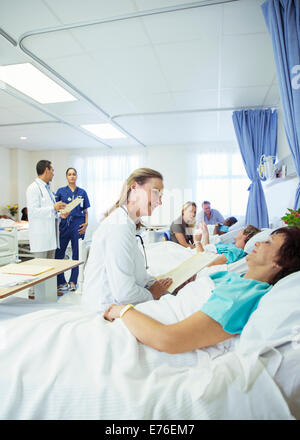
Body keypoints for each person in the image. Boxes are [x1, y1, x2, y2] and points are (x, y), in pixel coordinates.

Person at [104, 227, 300, 354]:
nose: (257, 242)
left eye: (268, 242)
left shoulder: (242, 296)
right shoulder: (235, 278)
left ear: (280, 262)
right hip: (143, 316)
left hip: (138, 327)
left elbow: (169, 339)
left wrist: (123, 311)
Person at [81, 168, 172, 313]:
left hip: (115, 306)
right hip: (105, 311)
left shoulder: (125, 223)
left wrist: (166, 285)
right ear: (134, 188)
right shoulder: (119, 226)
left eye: (161, 196)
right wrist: (153, 293)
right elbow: (125, 293)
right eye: (155, 192)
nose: (159, 202)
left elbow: (135, 274)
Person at [55, 168, 90, 293]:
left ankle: (73, 281)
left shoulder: (82, 193)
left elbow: (85, 211)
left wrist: (86, 223)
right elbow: (55, 210)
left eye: (74, 174)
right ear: (66, 177)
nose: (72, 176)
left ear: (76, 176)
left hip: (78, 225)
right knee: (59, 254)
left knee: (77, 253)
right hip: (63, 225)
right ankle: (61, 281)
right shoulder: (60, 192)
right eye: (69, 174)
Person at [26, 160, 68, 259]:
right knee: (41, 270)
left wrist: (59, 215)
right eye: (52, 171)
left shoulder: (47, 189)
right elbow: (33, 212)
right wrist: (54, 207)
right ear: (46, 170)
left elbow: (49, 212)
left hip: (50, 238)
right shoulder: (33, 188)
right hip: (40, 239)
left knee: (51, 270)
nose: (53, 174)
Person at [195, 222, 261, 267]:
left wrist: (197, 241)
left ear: (246, 235)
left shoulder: (235, 252)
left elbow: (207, 263)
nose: (238, 231)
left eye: (241, 230)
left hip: (196, 259)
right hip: (197, 253)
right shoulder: (231, 246)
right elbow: (207, 248)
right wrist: (205, 233)